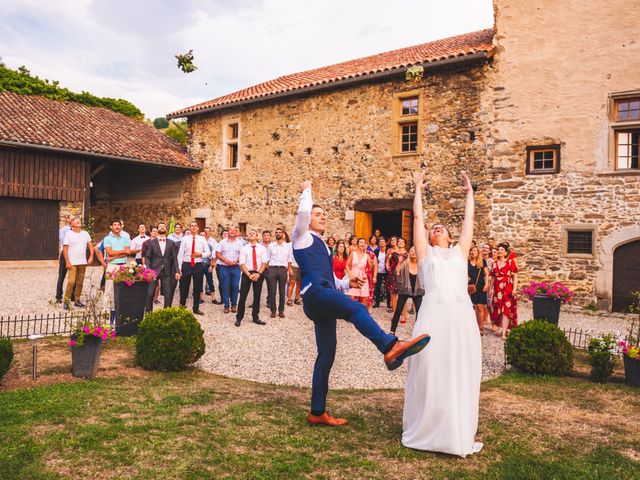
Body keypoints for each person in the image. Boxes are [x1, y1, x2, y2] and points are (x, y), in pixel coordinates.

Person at [292, 180, 430, 427]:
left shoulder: (324, 247)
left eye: (324, 214)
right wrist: (307, 190)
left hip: (321, 296)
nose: (322, 217)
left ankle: (317, 411)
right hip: (315, 295)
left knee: (327, 355)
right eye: (317, 214)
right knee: (356, 308)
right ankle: (390, 346)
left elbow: (330, 280)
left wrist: (348, 282)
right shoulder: (300, 236)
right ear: (308, 218)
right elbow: (302, 212)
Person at [402, 169, 482, 457]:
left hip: (461, 317)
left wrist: (470, 194)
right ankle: (427, 426)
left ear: (450, 236)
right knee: (429, 369)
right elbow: (418, 220)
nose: (436, 229)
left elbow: (469, 222)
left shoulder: (460, 252)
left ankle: (455, 429)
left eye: (442, 228)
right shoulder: (426, 255)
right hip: (433, 314)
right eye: (433, 228)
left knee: (457, 369)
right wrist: (418, 191)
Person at [235, 229, 269, 326]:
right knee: (242, 297)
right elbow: (241, 264)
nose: (251, 234)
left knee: (257, 296)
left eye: (253, 233)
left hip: (258, 273)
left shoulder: (262, 248)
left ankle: (255, 317)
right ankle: (239, 318)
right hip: (247, 273)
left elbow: (264, 262)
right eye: (249, 233)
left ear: (257, 236)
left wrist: (258, 273)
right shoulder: (244, 248)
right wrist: (249, 275)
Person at [177, 221, 210, 315]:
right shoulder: (184, 239)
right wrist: (179, 267)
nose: (194, 227)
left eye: (195, 225)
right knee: (184, 287)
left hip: (198, 265)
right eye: (191, 226)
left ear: (198, 228)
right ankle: (182, 306)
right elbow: (180, 254)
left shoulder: (202, 239)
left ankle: (196, 308)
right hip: (187, 264)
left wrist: (200, 254)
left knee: (198, 287)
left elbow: (208, 252)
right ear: (189, 228)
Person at [390, 247, 424, 335]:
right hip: (405, 290)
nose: (413, 253)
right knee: (398, 310)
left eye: (415, 251)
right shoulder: (405, 263)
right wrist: (399, 263)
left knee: (420, 312)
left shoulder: (422, 265)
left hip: (417, 290)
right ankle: (392, 331)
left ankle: (418, 332)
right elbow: (397, 273)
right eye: (411, 251)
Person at [144, 222, 178, 310]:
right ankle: (148, 314)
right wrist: (148, 270)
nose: (162, 227)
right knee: (149, 293)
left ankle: (166, 314)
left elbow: (174, 258)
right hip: (153, 272)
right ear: (157, 229)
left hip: (167, 271)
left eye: (163, 226)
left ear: (166, 229)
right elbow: (148, 257)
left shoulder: (171, 243)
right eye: (160, 226)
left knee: (168, 294)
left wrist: (177, 271)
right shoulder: (152, 242)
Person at [62, 217, 94, 309]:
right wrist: (67, 262)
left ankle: (77, 300)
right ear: (72, 224)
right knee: (71, 282)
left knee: (80, 282)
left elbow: (91, 247)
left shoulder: (85, 234)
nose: (78, 221)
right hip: (72, 262)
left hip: (82, 262)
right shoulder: (69, 234)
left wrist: (91, 257)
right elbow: (65, 249)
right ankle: (66, 301)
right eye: (76, 221)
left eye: (79, 221)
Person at [489, 242, 518, 340]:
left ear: (506, 253)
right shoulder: (494, 264)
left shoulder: (510, 262)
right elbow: (493, 277)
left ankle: (504, 333)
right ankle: (502, 329)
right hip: (497, 289)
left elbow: (515, 276)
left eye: (502, 250)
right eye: (498, 250)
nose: (499, 252)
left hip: (508, 288)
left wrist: (514, 289)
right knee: (498, 309)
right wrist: (490, 289)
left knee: (506, 310)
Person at [103, 220, 131, 317]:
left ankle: (119, 310)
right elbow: (109, 252)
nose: (117, 227)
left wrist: (114, 254)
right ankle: (106, 311)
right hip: (112, 266)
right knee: (109, 289)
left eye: (118, 225)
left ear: (121, 226)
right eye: (114, 225)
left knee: (123, 288)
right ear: (111, 227)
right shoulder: (107, 239)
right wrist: (122, 252)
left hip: (123, 266)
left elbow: (128, 252)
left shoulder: (125, 238)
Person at [216, 226, 243, 313]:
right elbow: (218, 253)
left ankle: (234, 304)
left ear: (236, 232)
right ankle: (226, 305)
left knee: (235, 286)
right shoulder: (222, 242)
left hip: (236, 267)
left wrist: (237, 260)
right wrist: (226, 261)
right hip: (224, 267)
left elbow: (243, 254)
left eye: (234, 230)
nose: (232, 231)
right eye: (230, 230)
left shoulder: (240, 243)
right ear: (228, 232)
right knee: (225, 286)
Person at [266, 227, 290, 318]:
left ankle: (281, 311)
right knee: (272, 291)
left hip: (283, 269)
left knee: (282, 291)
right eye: (277, 232)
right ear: (275, 234)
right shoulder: (271, 245)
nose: (278, 234)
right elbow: (267, 258)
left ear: (283, 234)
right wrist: (267, 269)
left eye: (280, 232)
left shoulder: (287, 246)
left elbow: (289, 259)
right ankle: (273, 310)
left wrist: (289, 270)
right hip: (272, 269)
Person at [346, 238, 375, 307]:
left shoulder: (367, 256)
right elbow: (346, 265)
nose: (362, 244)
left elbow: (370, 268)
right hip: (353, 276)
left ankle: (362, 313)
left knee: (365, 298)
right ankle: (351, 314)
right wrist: (350, 274)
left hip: (362, 277)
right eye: (361, 242)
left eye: (364, 242)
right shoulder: (353, 253)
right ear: (358, 244)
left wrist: (371, 265)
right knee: (352, 297)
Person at [468, 245, 489, 335]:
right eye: (471, 250)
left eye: (475, 250)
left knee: (480, 307)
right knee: (472, 307)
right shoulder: (466, 262)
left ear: (478, 252)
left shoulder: (482, 261)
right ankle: (473, 326)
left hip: (480, 286)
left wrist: (487, 284)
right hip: (470, 287)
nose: (473, 252)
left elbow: (487, 274)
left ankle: (480, 327)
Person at [55, 214, 75, 303]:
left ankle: (73, 295)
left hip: (74, 255)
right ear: (67, 220)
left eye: (74, 219)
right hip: (65, 254)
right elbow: (64, 242)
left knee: (74, 276)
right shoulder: (63, 230)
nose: (73, 220)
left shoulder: (77, 231)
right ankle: (58, 296)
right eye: (72, 219)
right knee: (62, 276)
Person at [386, 237, 408, 316]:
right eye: (399, 241)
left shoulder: (407, 254)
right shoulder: (393, 253)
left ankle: (403, 315)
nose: (400, 242)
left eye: (402, 241)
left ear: (405, 244)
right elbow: (388, 260)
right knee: (393, 295)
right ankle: (396, 314)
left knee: (403, 295)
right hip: (393, 275)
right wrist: (387, 265)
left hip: (403, 276)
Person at [372, 237, 390, 309]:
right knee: (377, 287)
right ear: (378, 243)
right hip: (378, 271)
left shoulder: (388, 251)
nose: (382, 243)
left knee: (388, 288)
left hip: (386, 271)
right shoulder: (376, 252)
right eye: (380, 242)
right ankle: (377, 302)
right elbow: (374, 261)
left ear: (386, 243)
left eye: (383, 241)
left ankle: (389, 303)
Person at [202, 227, 219, 304]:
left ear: (206, 236)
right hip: (199, 265)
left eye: (204, 235)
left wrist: (211, 266)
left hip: (207, 265)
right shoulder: (196, 245)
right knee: (199, 282)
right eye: (201, 235)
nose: (202, 237)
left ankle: (213, 298)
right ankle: (201, 298)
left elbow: (212, 256)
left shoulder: (209, 246)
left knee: (210, 281)